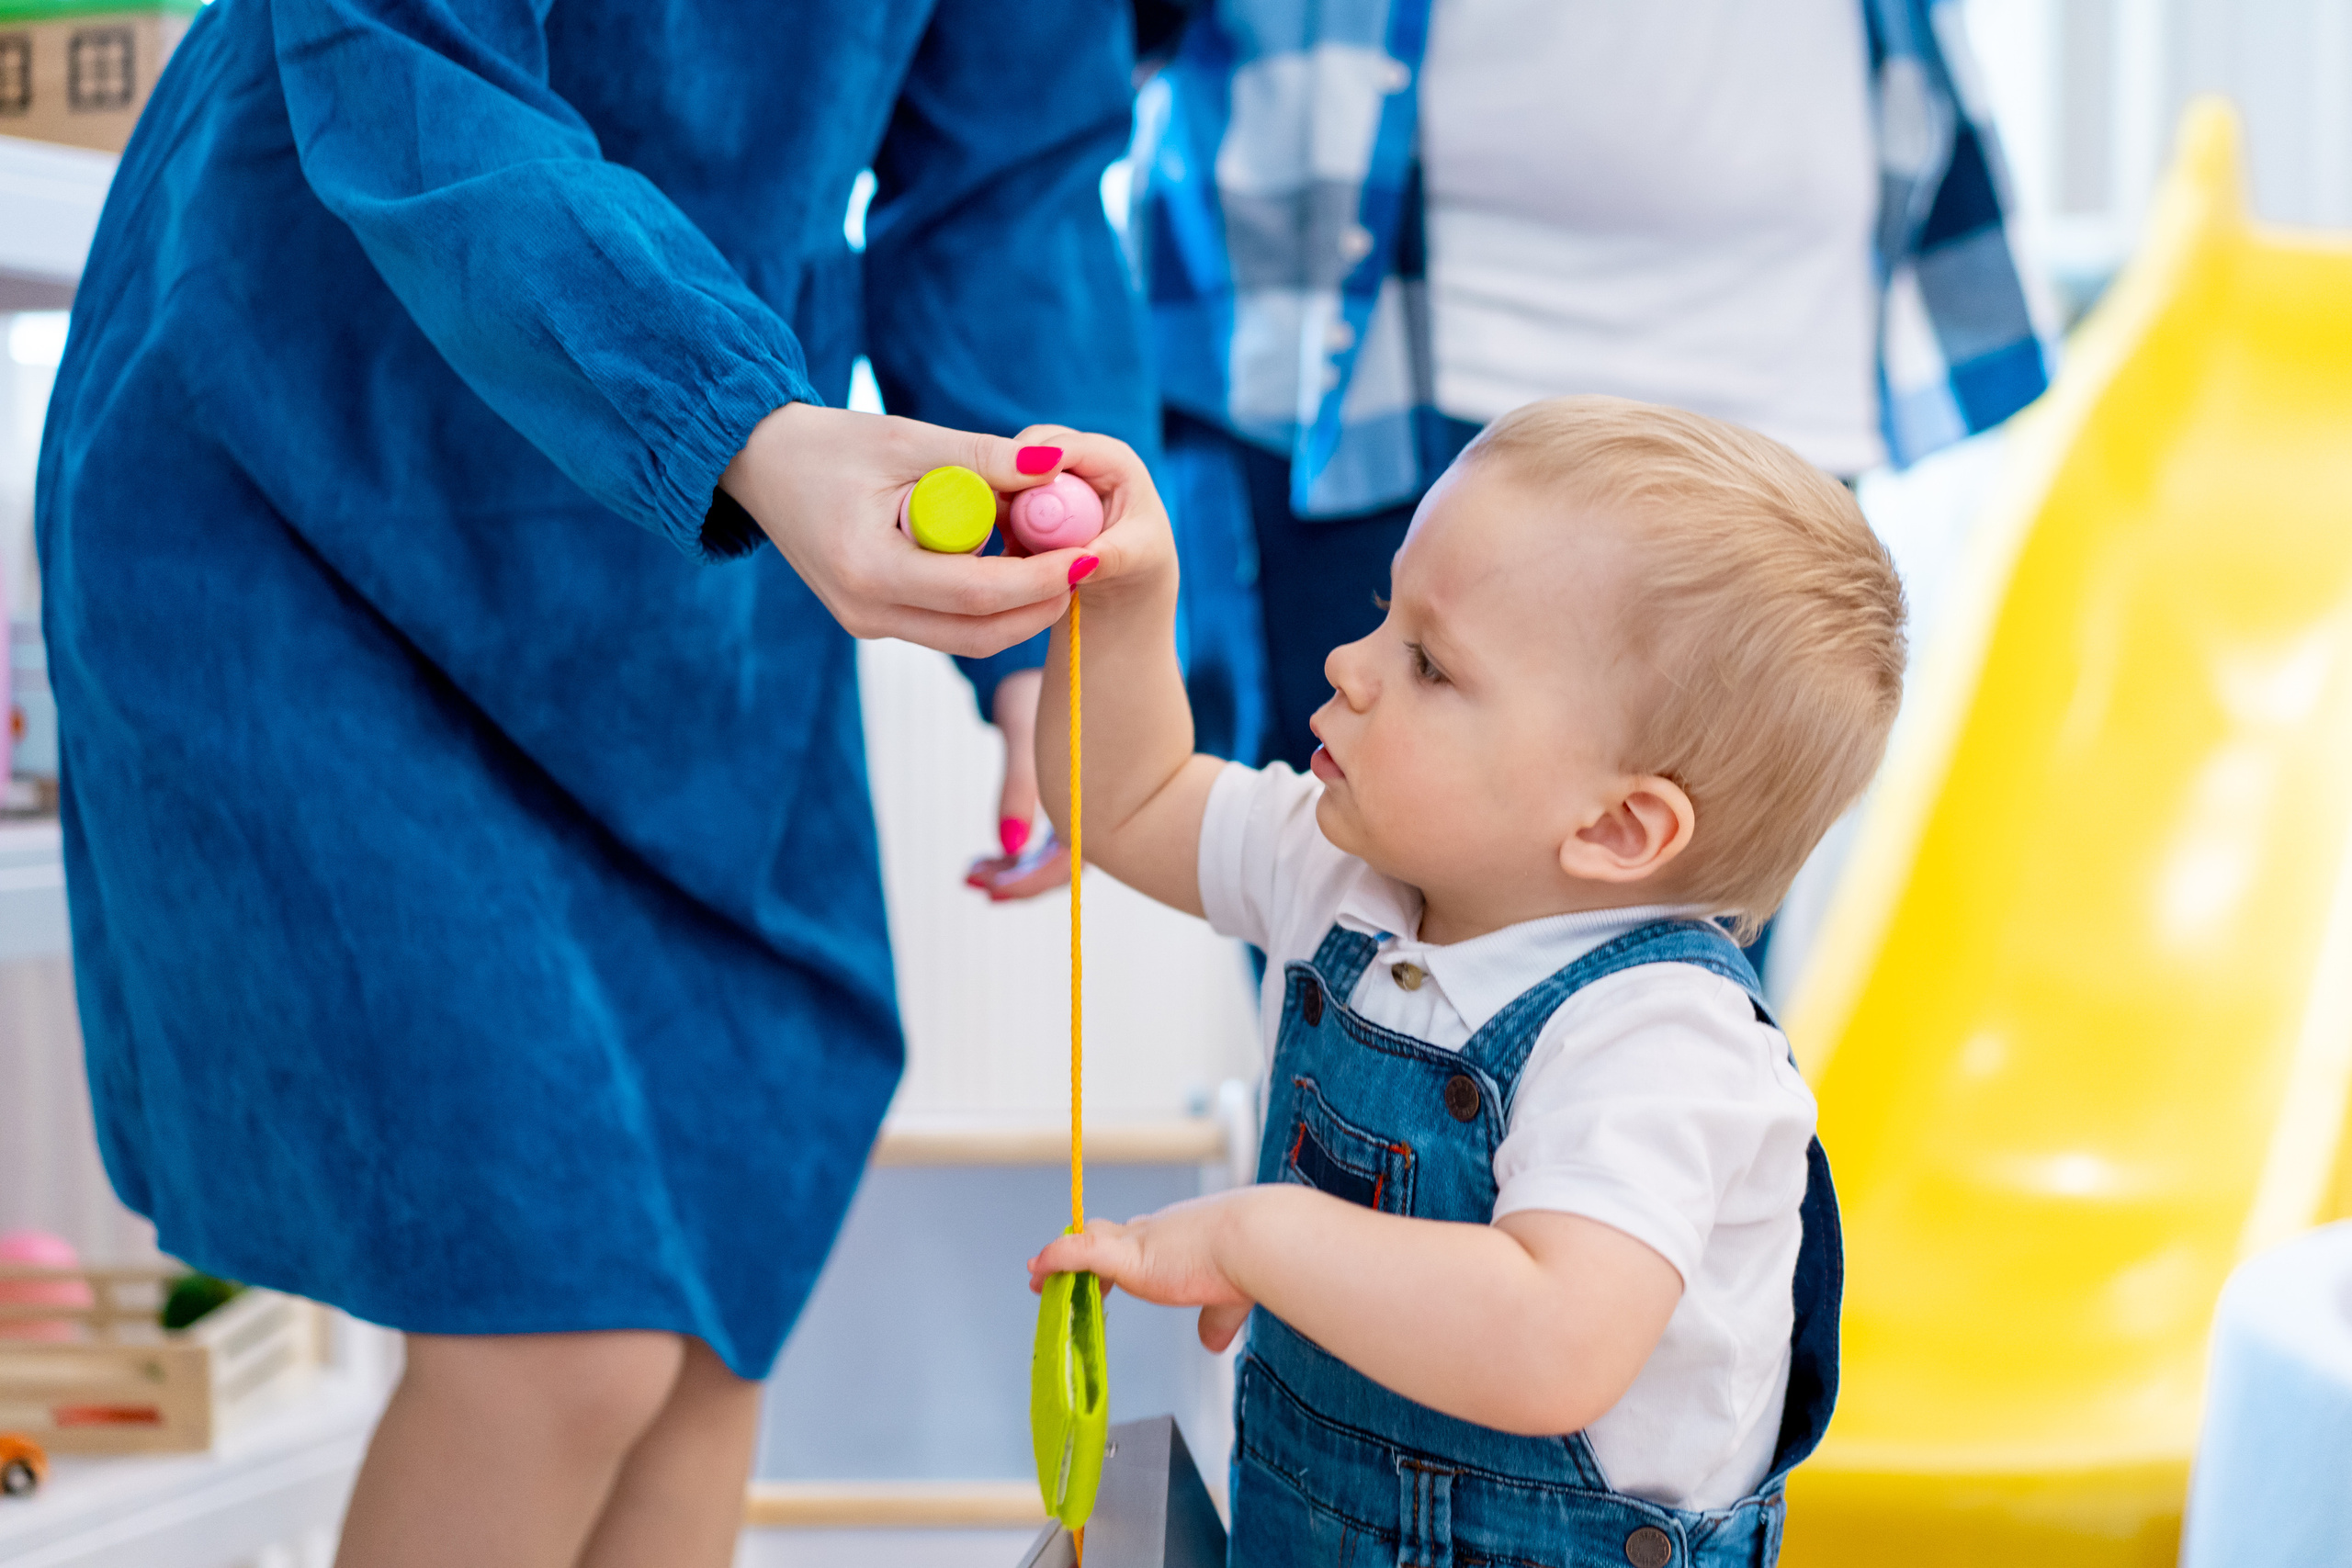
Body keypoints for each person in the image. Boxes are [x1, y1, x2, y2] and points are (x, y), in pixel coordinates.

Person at [35, 1, 1150, 1563]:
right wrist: (742, 421)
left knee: (712, 1312)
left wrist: (1040, 639)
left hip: (692, 573)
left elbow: (1005, 186)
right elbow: (409, 64)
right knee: (560, 1338)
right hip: (310, 460)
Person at [1022, 396, 1906, 1563]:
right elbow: (1124, 798)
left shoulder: (1660, 1040)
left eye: (1429, 664)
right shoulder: (1335, 866)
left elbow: (1549, 1342)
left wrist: (1252, 1241)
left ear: (1618, 827)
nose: (1348, 664)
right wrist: (1125, 601)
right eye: (1382, 613)